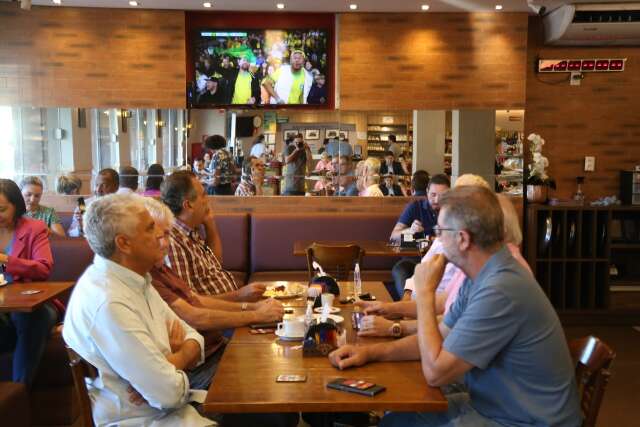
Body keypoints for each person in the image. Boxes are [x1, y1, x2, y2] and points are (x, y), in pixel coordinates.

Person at [329, 186, 581, 427]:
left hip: (524, 420)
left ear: (462, 239)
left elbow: (436, 373)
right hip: (495, 406)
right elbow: (439, 337)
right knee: (397, 419)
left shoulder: (500, 289)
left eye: (440, 231)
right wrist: (372, 353)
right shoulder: (483, 276)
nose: (435, 239)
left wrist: (425, 291)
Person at [62, 194, 213, 426]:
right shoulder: (109, 302)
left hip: (172, 407)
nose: (161, 238)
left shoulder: (135, 278)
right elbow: (168, 394)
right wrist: (177, 361)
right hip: (144, 419)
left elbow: (193, 336)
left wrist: (170, 362)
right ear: (124, 244)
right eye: (151, 229)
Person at [142, 197, 284, 390]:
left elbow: (196, 300)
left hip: (213, 347)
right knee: (270, 383)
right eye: (158, 237)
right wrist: (255, 314)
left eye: (167, 235)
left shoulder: (159, 267)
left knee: (273, 360)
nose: (165, 244)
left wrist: (252, 307)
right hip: (197, 369)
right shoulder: (146, 276)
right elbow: (195, 317)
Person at [161, 171, 265, 301]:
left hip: (230, 307)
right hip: (220, 316)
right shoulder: (173, 243)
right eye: (203, 195)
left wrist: (210, 224)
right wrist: (241, 297)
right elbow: (190, 303)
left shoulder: (190, 231)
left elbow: (216, 265)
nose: (207, 199)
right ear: (188, 205)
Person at [0, 179, 56, 387]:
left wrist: (5, 260)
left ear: (16, 205)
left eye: (2, 209)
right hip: (3, 306)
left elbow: (43, 268)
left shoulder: (34, 228)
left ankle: (18, 393)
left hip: (35, 303)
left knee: (30, 318)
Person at [389, 174, 450, 299]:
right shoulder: (415, 207)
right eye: (433, 195)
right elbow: (394, 236)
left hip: (443, 262)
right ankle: (407, 305)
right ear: (427, 191)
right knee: (400, 269)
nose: (437, 200)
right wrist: (409, 231)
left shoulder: (453, 211)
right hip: (414, 260)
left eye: (442, 195)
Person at [68, 168, 119, 237]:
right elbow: (70, 233)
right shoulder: (83, 205)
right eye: (96, 185)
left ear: (116, 187)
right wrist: (80, 228)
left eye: (104, 185)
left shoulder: (122, 206)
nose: (98, 190)